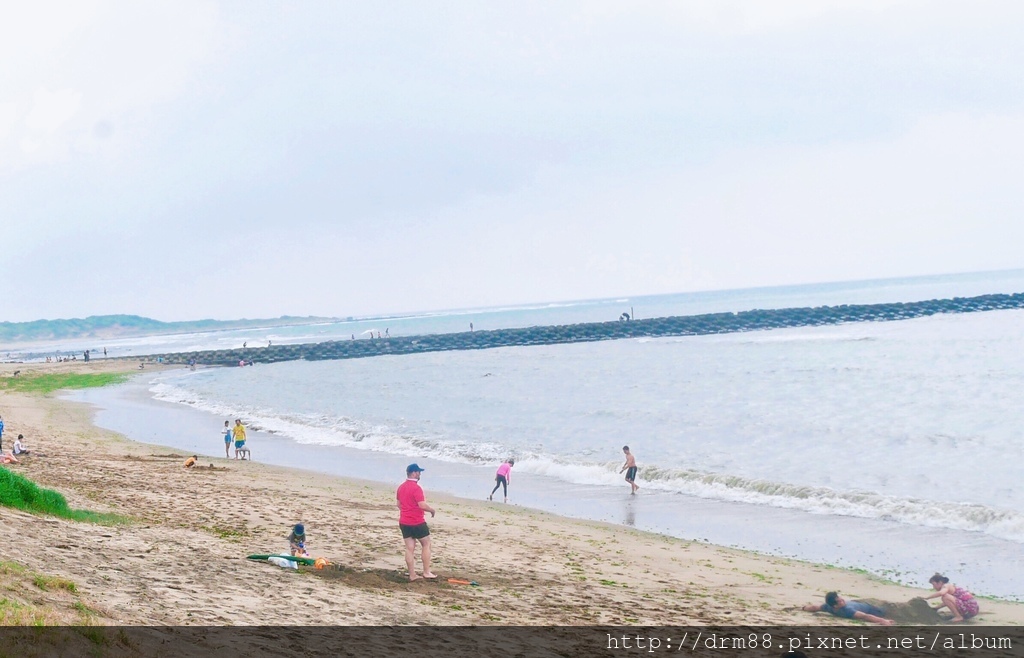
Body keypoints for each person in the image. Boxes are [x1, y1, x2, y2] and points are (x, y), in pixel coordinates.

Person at [397, 463, 436, 581]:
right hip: (417, 522)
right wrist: (431, 510)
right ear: (414, 473)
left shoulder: (401, 487)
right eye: (419, 472)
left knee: (409, 547)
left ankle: (412, 574)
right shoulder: (416, 488)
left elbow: (398, 504)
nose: (420, 474)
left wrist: (407, 510)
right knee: (426, 543)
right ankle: (426, 572)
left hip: (404, 521)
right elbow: (422, 505)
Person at [802, 592, 894, 625]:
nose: (842, 600)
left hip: (869, 607)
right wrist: (883, 621)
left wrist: (804, 608)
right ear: (834, 606)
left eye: (840, 598)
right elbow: (865, 616)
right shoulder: (847, 610)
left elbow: (814, 607)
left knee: (886, 609)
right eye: (839, 601)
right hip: (870, 610)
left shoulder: (831, 606)